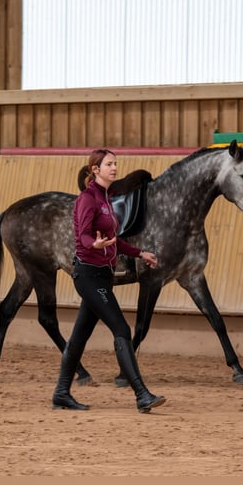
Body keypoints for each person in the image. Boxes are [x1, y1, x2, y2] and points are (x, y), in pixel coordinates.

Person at [52, 148, 166, 413]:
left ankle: (61, 393)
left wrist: (140, 253)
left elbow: (116, 241)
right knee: (122, 330)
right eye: (109, 164)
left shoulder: (106, 197)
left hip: (102, 275)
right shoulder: (87, 199)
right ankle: (142, 395)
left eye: (115, 163)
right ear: (95, 169)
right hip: (89, 276)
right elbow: (82, 237)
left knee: (79, 337)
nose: (114, 168)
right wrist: (96, 243)